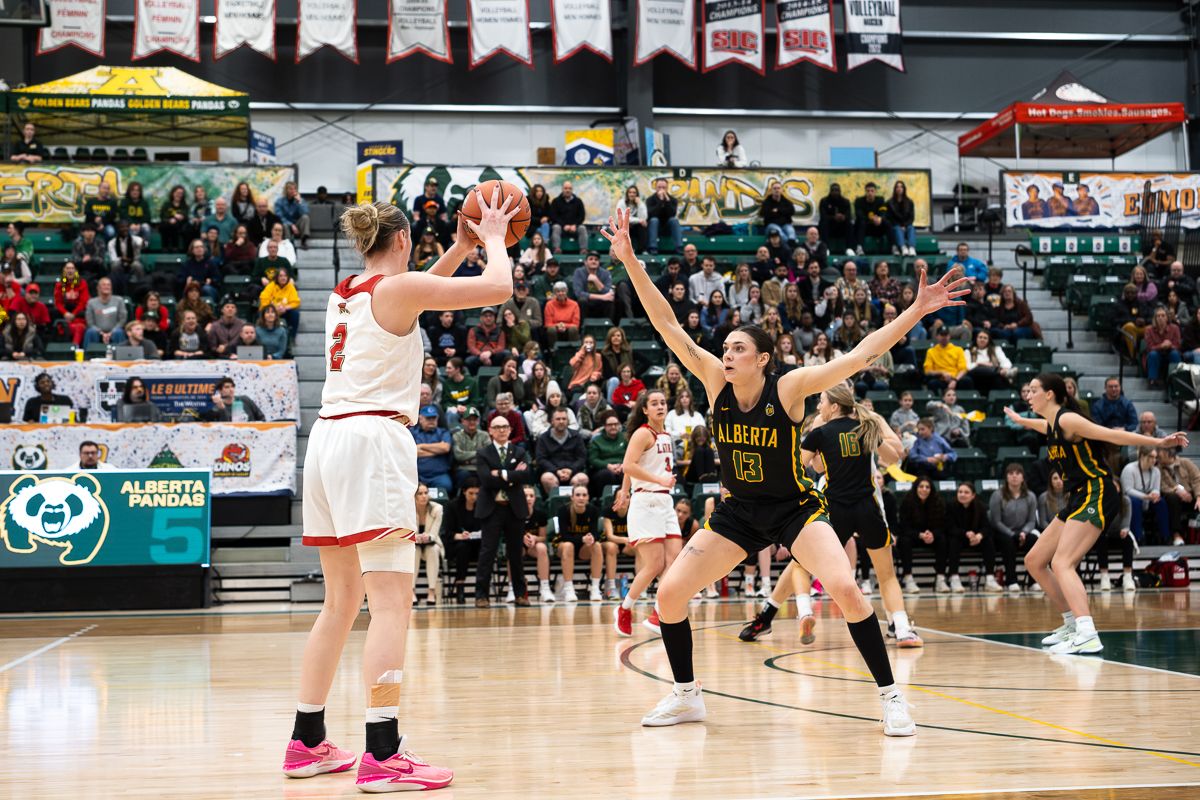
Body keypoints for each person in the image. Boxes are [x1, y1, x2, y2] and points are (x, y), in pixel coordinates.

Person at [603, 207, 966, 733]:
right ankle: (687, 696)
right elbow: (668, 325)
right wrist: (633, 262)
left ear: (763, 359)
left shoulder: (790, 388)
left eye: (738, 348)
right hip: (738, 513)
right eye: (725, 347)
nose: (725, 353)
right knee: (670, 594)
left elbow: (862, 354)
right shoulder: (712, 381)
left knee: (845, 588)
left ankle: (892, 698)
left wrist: (915, 310)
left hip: (796, 510)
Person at [284, 188, 516, 790]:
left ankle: (307, 741)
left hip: (329, 442)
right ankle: (382, 752)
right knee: (391, 604)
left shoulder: (348, 292)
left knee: (339, 603)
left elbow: (409, 299)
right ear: (406, 241)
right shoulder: (398, 289)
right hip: (371, 445)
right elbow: (499, 289)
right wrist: (491, 238)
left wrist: (456, 250)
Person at [1004, 373, 1186, 655]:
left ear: (1050, 394)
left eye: (1034, 390)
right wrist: (1020, 420)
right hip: (1078, 496)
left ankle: (1087, 632)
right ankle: (1071, 624)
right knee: (1035, 560)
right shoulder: (1053, 424)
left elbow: (1111, 434)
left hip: (1097, 490)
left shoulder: (1068, 420)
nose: (1028, 395)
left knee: (1062, 562)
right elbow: (1041, 425)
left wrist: (1158, 443)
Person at [745, 382, 922, 646]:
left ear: (836, 404)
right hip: (867, 504)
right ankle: (903, 627)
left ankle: (803, 610)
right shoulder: (867, 425)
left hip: (834, 503)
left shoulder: (837, 424)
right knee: (886, 574)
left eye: (822, 400)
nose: (819, 405)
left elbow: (801, 465)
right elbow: (894, 456)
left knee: (801, 563)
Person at [611, 389, 683, 636]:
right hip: (647, 502)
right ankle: (624, 608)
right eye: (654, 403)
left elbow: (635, 466)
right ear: (645, 409)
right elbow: (628, 465)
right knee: (654, 565)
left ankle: (656, 613)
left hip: (665, 503)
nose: (660, 406)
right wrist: (652, 482)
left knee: (675, 561)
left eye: (663, 402)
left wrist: (623, 491)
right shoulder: (643, 433)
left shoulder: (666, 434)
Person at [473, 413, 535, 606]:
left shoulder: (519, 451)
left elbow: (527, 476)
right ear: (490, 431)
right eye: (497, 427)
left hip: (514, 508)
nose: (501, 430)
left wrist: (501, 473)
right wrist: (512, 474)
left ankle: (520, 594)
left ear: (510, 430)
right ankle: (481, 596)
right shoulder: (483, 453)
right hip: (492, 509)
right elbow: (485, 480)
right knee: (488, 552)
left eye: (505, 427)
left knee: (516, 553)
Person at [989, 463, 1040, 594]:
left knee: (1034, 540)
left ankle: (1033, 581)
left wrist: (1024, 532)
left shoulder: (1030, 496)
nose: (1014, 477)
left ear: (1023, 477)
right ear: (1006, 477)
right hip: (1003, 532)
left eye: (1017, 474)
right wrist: (1012, 534)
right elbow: (996, 521)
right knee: (1008, 543)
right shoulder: (997, 495)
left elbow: (1031, 521)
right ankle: (1011, 580)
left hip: (1023, 531)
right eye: (1011, 474)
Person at [552, 484, 606, 601]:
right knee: (568, 545)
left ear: (588, 497)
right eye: (578, 495)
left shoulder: (593, 510)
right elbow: (564, 536)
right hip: (564, 547)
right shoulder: (563, 510)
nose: (581, 498)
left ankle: (595, 588)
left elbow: (595, 533)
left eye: (584, 495)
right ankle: (569, 589)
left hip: (583, 549)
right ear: (572, 497)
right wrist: (582, 539)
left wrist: (591, 538)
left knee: (596, 545)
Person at [897, 476, 949, 593]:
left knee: (943, 540)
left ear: (931, 489)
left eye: (927, 487)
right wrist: (919, 535)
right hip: (913, 536)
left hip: (931, 536)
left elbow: (942, 525)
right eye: (921, 486)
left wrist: (932, 534)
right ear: (916, 488)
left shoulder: (937, 502)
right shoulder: (907, 501)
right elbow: (904, 527)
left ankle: (940, 579)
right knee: (904, 541)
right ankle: (908, 578)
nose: (924, 489)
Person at [1120, 446, 1170, 544]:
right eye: (1151, 457)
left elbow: (1156, 488)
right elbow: (1127, 490)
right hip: (1132, 498)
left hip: (1148, 498)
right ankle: (1138, 537)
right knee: (1135, 501)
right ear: (1142, 456)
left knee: (1161, 502)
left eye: (1155, 457)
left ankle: (1165, 536)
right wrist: (1145, 496)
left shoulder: (1156, 471)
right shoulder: (1129, 469)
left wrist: (1155, 495)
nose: (1154, 460)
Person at [536, 407, 589, 496]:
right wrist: (556, 471)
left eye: (564, 419)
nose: (561, 421)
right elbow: (541, 459)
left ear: (568, 421)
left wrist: (571, 470)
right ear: (552, 421)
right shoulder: (543, 438)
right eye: (558, 419)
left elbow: (582, 457)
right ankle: (554, 502)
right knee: (547, 478)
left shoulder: (576, 436)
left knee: (583, 478)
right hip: (552, 472)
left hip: (573, 471)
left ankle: (574, 503)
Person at [412, 485, 445, 606]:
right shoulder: (408, 510)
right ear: (414, 496)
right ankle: (411, 591)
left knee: (434, 549)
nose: (424, 496)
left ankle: (431, 591)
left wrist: (427, 537)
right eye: (420, 494)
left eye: (426, 493)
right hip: (414, 544)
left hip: (431, 543)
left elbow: (434, 533)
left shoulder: (437, 508)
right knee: (412, 551)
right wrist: (416, 537)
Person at [411, 404, 453, 493]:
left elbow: (445, 448)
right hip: (417, 475)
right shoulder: (412, 433)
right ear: (420, 419)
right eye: (428, 418)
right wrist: (437, 450)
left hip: (438, 475)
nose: (431, 421)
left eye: (433, 418)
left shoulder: (443, 432)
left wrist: (421, 446)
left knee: (446, 486)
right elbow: (412, 451)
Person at [82, 277, 129, 349]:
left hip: (115, 330)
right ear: (98, 288)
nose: (106, 287)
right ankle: (87, 356)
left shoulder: (119, 300)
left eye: (108, 285)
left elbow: (122, 319)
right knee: (90, 332)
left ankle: (121, 356)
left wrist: (111, 332)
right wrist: (101, 333)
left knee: (119, 332)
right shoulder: (91, 302)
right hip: (96, 331)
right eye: (104, 285)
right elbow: (90, 322)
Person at [1143, 305, 1182, 388]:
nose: (1160, 318)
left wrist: (1170, 345)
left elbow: (1178, 346)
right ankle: (1152, 381)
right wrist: (1161, 346)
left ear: (1167, 318)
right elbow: (1149, 347)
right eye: (1158, 316)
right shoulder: (1149, 330)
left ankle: (1177, 381)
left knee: (1175, 353)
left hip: (1170, 353)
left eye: (1163, 315)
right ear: (1155, 318)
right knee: (1153, 354)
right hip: (1156, 354)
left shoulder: (1175, 328)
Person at [923, 327, 970, 391]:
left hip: (955, 378)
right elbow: (927, 371)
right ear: (937, 336)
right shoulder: (931, 351)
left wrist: (955, 380)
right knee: (932, 383)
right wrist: (942, 373)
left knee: (967, 381)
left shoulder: (958, 350)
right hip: (940, 379)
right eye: (942, 335)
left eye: (946, 335)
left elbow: (963, 369)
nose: (944, 337)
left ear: (949, 336)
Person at [646, 177, 682, 255]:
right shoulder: (650, 200)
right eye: (659, 187)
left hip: (667, 227)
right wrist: (660, 201)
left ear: (667, 188)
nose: (661, 189)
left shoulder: (672, 200)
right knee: (654, 220)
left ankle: (679, 247)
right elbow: (652, 214)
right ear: (655, 188)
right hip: (654, 227)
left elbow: (672, 214)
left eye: (663, 187)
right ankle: (653, 247)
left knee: (674, 220)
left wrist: (667, 201)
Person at [549, 182, 588, 255]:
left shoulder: (578, 201)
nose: (568, 190)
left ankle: (583, 249)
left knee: (582, 228)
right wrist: (563, 225)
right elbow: (553, 216)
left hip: (574, 228)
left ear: (572, 190)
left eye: (569, 188)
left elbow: (581, 216)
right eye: (566, 188)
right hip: (561, 228)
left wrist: (575, 225)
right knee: (556, 227)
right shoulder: (556, 201)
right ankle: (556, 249)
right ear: (562, 189)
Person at [851, 182, 888, 256]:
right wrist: (871, 219)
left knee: (888, 223)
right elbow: (859, 215)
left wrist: (879, 219)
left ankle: (894, 247)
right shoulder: (859, 201)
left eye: (872, 191)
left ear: (875, 192)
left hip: (877, 227)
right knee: (861, 222)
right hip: (865, 227)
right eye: (868, 191)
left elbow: (883, 212)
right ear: (865, 192)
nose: (870, 193)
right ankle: (859, 247)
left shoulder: (880, 200)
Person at [759, 182, 796, 247]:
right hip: (771, 225)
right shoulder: (767, 202)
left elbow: (792, 211)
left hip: (785, 224)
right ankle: (789, 248)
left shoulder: (786, 201)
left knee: (791, 232)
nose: (777, 190)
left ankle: (790, 248)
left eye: (778, 188)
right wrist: (782, 212)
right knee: (779, 232)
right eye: (774, 188)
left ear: (781, 190)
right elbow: (763, 213)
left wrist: (778, 211)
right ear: (771, 190)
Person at [275, 181, 311, 249]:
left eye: (294, 189)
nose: (293, 191)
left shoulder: (300, 200)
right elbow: (279, 216)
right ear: (286, 190)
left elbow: (305, 212)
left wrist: (299, 202)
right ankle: (289, 244)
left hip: (297, 225)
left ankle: (303, 240)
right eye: (290, 189)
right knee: (284, 225)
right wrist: (291, 225)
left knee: (305, 217)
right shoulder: (279, 201)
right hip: (286, 224)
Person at [818, 183, 852, 252]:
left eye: (837, 190)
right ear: (830, 191)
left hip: (841, 228)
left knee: (849, 224)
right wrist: (834, 217)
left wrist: (843, 217)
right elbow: (823, 216)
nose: (835, 192)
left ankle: (849, 248)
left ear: (840, 191)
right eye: (833, 190)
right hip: (830, 227)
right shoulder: (824, 201)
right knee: (823, 223)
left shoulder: (845, 201)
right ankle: (826, 248)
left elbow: (849, 216)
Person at [887, 180, 916, 257]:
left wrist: (905, 225)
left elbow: (911, 217)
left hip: (907, 225)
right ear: (895, 189)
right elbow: (890, 218)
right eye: (897, 187)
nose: (899, 189)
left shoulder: (909, 202)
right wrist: (900, 226)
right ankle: (903, 248)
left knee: (911, 228)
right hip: (895, 225)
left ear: (904, 189)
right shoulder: (890, 202)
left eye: (901, 187)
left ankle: (911, 248)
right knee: (897, 228)